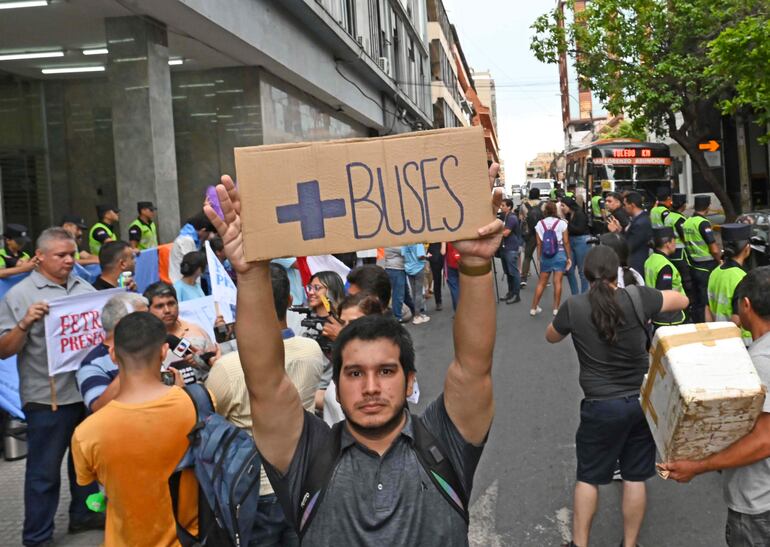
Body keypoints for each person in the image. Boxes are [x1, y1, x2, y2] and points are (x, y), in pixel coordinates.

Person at [203, 165, 502, 544]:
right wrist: (249, 275)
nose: (371, 387)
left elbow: (474, 366)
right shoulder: (306, 457)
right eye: (355, 373)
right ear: (337, 386)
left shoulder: (444, 446)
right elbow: (265, 380)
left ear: (411, 380)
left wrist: (475, 265)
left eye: (387, 371)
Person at [546, 245, 689, 547]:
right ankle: (629, 543)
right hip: (640, 403)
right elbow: (682, 300)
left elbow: (551, 335)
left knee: (589, 477)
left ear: (586, 274)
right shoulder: (639, 298)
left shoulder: (575, 306)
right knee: (635, 477)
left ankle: (580, 544)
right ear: (618, 273)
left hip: (600, 406)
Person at [206, 264, 323, 547]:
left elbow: (212, 421)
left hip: (254, 491)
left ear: (242, 307)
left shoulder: (227, 369)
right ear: (290, 301)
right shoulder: (312, 351)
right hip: (303, 482)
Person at [0, 227, 102, 545]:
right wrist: (25, 323)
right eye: (61, 255)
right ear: (40, 257)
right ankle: (37, 536)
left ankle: (83, 515)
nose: (69, 260)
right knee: (43, 473)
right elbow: (4, 349)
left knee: (84, 466)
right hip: (47, 399)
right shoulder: (20, 296)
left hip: (83, 393)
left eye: (72, 254)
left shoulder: (82, 287)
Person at [659, 267, 770, 547]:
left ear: (746, 305)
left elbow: (765, 439)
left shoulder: (761, 360)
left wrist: (697, 465)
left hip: (760, 505)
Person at [71, 312, 195, 547]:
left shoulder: (87, 433)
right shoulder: (197, 404)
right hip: (191, 537)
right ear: (163, 352)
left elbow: (89, 479)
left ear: (113, 355)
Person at [76, 293, 150, 413]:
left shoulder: (152, 348)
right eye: (143, 319)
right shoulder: (93, 364)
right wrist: (132, 368)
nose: (151, 323)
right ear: (122, 325)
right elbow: (99, 408)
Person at [143, 281, 220, 378]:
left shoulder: (196, 331)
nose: (167, 310)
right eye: (159, 306)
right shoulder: (144, 342)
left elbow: (216, 369)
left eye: (171, 303)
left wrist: (204, 361)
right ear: (148, 310)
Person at [707, 223, 752, 344]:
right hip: (740, 343)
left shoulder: (714, 273)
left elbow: (707, 309)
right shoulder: (742, 278)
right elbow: (737, 319)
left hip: (719, 338)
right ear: (747, 248)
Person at [683, 195, 722, 323]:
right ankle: (706, 328)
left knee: (697, 301)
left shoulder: (687, 221)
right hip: (706, 267)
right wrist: (719, 260)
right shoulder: (703, 223)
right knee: (706, 302)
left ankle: (697, 323)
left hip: (693, 265)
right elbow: (714, 248)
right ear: (708, 207)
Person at [530, 201, 571, 317]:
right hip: (560, 254)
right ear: (555, 211)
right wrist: (569, 257)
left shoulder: (539, 224)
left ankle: (534, 308)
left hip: (546, 255)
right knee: (557, 282)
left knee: (541, 283)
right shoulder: (562, 223)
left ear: (544, 211)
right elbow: (566, 241)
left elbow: (539, 243)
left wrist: (539, 258)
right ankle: (555, 309)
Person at [644, 226, 687, 328]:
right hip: (670, 318)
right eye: (674, 241)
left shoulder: (650, 259)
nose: (675, 243)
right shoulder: (665, 266)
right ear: (667, 243)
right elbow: (665, 295)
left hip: (655, 311)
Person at [662, 193, 693, 306]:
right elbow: (684, 236)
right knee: (686, 280)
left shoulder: (668, 216)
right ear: (683, 206)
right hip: (680, 254)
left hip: (670, 253)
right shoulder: (680, 219)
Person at [169, 211, 215, 284]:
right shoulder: (187, 240)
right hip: (183, 282)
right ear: (203, 230)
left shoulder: (192, 239)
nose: (208, 236)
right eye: (208, 233)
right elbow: (193, 263)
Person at [619, 191, 652, 275]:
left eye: (625, 204)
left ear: (632, 205)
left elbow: (629, 246)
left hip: (637, 264)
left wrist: (619, 234)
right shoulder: (637, 220)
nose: (623, 207)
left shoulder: (641, 223)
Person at [563, 197, 590, 295]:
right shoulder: (568, 215)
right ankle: (575, 294)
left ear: (569, 205)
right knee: (569, 269)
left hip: (581, 241)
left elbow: (580, 229)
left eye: (563, 205)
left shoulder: (580, 214)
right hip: (571, 241)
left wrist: (567, 224)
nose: (562, 207)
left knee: (582, 271)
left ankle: (584, 294)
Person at [520, 188, 545, 286]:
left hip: (529, 234)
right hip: (542, 233)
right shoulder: (543, 204)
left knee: (527, 256)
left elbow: (522, 218)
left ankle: (523, 278)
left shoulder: (524, 205)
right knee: (543, 256)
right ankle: (544, 277)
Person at [499, 198, 522, 304]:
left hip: (511, 248)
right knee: (508, 272)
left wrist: (494, 231)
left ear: (509, 207)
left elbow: (506, 233)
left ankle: (516, 295)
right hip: (505, 247)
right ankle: (510, 292)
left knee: (514, 272)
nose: (501, 207)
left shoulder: (512, 218)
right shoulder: (505, 216)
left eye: (503, 205)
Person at [403, 243, 431, 323]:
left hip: (408, 268)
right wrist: (426, 256)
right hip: (418, 268)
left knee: (414, 292)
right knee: (418, 293)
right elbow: (420, 256)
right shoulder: (418, 243)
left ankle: (417, 313)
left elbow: (403, 255)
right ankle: (417, 316)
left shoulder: (404, 243)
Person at [427, 242, 445, 311]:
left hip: (443, 253)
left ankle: (438, 302)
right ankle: (438, 302)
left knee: (453, 279)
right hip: (435, 255)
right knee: (437, 280)